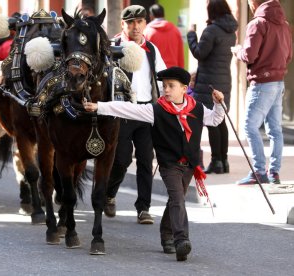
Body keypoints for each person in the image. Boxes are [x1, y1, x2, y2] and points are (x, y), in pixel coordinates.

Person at [83, 66, 226, 261]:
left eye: (171, 86)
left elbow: (216, 120)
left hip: (190, 165)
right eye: (164, 86)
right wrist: (100, 106)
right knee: (177, 198)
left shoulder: (198, 108)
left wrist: (219, 104)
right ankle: (181, 240)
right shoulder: (156, 110)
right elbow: (128, 109)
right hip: (169, 165)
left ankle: (166, 234)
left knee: (176, 200)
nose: (166, 90)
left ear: (184, 89)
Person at [104, 5, 166, 224]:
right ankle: (109, 195)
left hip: (146, 111)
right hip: (122, 111)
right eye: (131, 22)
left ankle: (144, 208)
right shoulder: (112, 48)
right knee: (121, 160)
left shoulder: (152, 50)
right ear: (123, 24)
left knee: (145, 161)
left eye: (139, 22)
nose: (136, 26)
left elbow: (162, 79)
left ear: (145, 24)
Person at [231, 0, 292, 185]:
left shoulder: (257, 23)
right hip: (278, 81)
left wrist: (238, 51)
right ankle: (274, 173)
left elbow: (249, 55)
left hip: (261, 83)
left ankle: (258, 171)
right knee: (275, 130)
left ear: (254, 3)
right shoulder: (284, 24)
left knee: (249, 126)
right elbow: (289, 55)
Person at [187, 0, 238, 175]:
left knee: (212, 122)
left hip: (209, 82)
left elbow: (199, 53)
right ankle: (223, 161)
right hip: (224, 80)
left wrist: (191, 35)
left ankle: (216, 161)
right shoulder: (231, 31)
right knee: (220, 120)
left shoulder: (211, 30)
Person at [143, 4, 184, 68]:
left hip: (156, 73)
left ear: (151, 15)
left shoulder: (147, 32)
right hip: (173, 72)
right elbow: (180, 56)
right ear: (164, 15)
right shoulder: (175, 30)